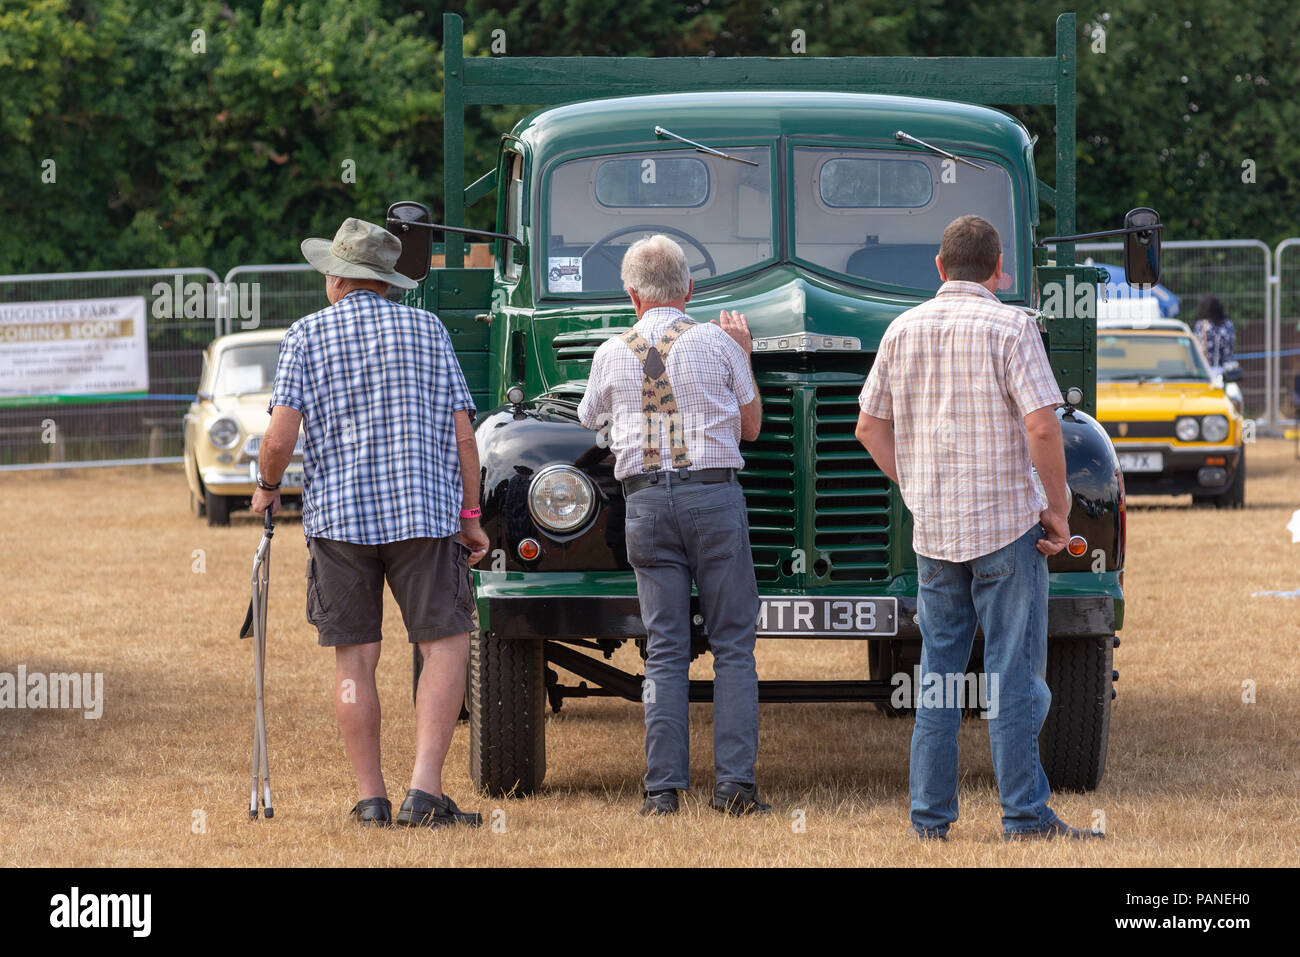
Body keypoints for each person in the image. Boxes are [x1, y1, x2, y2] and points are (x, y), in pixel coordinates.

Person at [855, 215, 1102, 841]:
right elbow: (1044, 426)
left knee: (936, 679)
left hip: (934, 533)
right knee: (1013, 676)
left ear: (939, 268)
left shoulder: (901, 329)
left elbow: (868, 427)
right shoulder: (1013, 326)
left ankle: (930, 820)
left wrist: (914, 485)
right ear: (999, 270)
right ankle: (1024, 815)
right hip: (1005, 529)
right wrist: (1058, 508)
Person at [252, 217, 489, 829]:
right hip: (424, 514)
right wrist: (471, 515)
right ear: (384, 281)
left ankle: (371, 799)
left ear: (337, 278)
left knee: (354, 660)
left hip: (339, 523)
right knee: (443, 645)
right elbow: (464, 434)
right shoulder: (428, 328)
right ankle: (425, 792)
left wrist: (267, 488)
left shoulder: (305, 335)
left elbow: (279, 436)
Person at [577, 234, 768, 816]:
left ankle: (662, 791)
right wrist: (746, 354)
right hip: (713, 499)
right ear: (690, 289)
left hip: (645, 506)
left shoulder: (611, 351)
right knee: (734, 645)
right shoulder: (718, 341)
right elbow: (752, 428)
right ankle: (734, 787)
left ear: (631, 295)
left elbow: (589, 418)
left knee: (663, 648)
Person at [1194, 294, 1235, 369]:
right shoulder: (1228, 325)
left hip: (1206, 372)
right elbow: (1230, 350)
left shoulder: (1201, 325)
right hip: (1225, 371)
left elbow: (1197, 349)